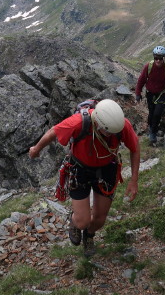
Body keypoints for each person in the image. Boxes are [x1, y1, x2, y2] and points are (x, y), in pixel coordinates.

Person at [28, 99, 140, 257]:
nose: (112, 136)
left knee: (100, 219)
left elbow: (135, 148)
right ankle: (75, 222)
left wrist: (134, 179)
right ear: (98, 124)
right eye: (108, 133)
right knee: (83, 221)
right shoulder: (79, 122)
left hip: (107, 169)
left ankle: (89, 235)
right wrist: (36, 149)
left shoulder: (121, 125)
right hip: (79, 169)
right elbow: (54, 131)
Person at [135, 45, 165, 146]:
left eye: (160, 58)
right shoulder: (148, 66)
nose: (158, 60)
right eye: (156, 58)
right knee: (152, 112)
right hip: (150, 93)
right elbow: (141, 80)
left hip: (162, 94)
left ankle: (153, 132)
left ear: (164, 58)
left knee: (157, 113)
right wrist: (138, 93)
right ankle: (151, 127)